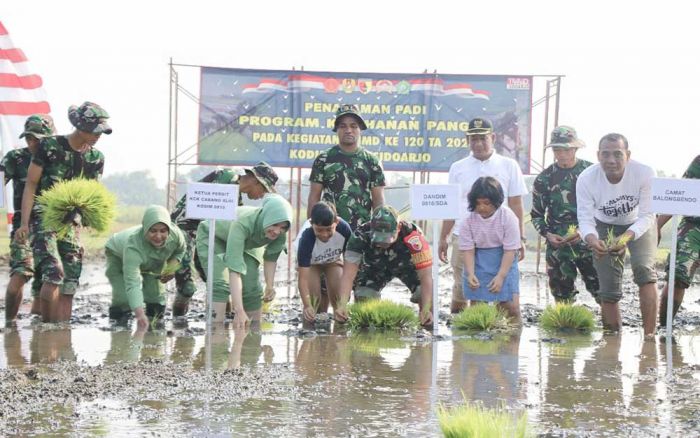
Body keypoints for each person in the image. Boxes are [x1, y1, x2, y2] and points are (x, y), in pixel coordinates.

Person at [15, 102, 111, 323]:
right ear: (81, 127)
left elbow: (90, 197)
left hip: (71, 224)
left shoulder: (95, 159)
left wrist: (82, 230)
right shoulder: (50, 146)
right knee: (53, 272)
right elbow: (31, 184)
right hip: (43, 218)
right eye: (95, 131)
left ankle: (61, 334)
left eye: (101, 132)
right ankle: (46, 331)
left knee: (70, 281)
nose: (98, 136)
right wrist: (24, 223)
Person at [439, 118, 528, 313]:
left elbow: (515, 204)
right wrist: (443, 237)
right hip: (464, 236)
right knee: (463, 288)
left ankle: (498, 333)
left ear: (493, 138)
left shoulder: (509, 165)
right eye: (473, 139)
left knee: (501, 289)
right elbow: (451, 206)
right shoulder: (457, 167)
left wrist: (520, 237)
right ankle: (459, 333)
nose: (478, 143)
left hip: (500, 240)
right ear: (467, 140)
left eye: (483, 138)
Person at [169, 162, 278, 316]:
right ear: (255, 180)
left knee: (220, 284)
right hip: (186, 230)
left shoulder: (237, 201)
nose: (262, 195)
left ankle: (219, 328)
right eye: (264, 189)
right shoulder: (225, 178)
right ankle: (177, 326)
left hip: (206, 236)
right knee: (187, 288)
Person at [576, 133, 657, 336]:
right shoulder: (586, 178)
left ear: (627, 155)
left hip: (638, 223)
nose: (611, 160)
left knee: (644, 272)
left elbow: (648, 215)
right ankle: (612, 341)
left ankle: (649, 337)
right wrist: (593, 240)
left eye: (617, 154)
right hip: (604, 224)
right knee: (608, 287)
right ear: (598, 155)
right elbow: (585, 221)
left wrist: (627, 237)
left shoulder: (645, 173)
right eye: (605, 154)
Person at [195, 193, 292, 328]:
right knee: (220, 285)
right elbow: (235, 271)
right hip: (215, 236)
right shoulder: (243, 223)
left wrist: (270, 286)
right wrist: (238, 310)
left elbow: (270, 258)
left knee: (252, 288)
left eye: (282, 227)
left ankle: (252, 339)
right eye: (275, 225)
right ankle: (216, 336)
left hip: (248, 242)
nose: (277, 231)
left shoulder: (280, 234)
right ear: (266, 218)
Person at [530, 126, 599, 303]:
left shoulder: (592, 173)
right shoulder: (544, 179)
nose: (561, 154)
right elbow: (537, 214)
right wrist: (547, 234)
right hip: (558, 245)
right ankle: (565, 327)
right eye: (557, 150)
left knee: (603, 291)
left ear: (575, 149)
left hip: (590, 240)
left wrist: (584, 232)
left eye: (566, 149)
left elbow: (604, 209)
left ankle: (612, 328)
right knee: (562, 296)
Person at [335, 205, 433, 327]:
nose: (383, 244)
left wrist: (427, 308)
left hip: (407, 267)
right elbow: (348, 275)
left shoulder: (413, 235)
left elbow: (426, 276)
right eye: (379, 240)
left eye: (387, 239)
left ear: (398, 227)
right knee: (364, 305)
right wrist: (342, 304)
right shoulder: (359, 236)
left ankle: (425, 325)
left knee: (427, 296)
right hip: (374, 268)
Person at [1, 115, 55, 321]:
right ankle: (9, 326)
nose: (33, 143)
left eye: (38, 139)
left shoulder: (58, 160)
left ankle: (40, 337)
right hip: (23, 227)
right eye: (29, 138)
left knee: (46, 282)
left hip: (52, 229)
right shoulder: (16, 158)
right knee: (19, 275)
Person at [105, 205, 186, 330]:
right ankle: (118, 330)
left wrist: (172, 267)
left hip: (153, 257)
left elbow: (180, 250)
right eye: (153, 231)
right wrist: (139, 314)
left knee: (156, 299)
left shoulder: (175, 235)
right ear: (145, 229)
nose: (158, 236)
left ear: (168, 230)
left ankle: (154, 336)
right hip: (118, 254)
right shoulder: (133, 246)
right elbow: (132, 283)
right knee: (123, 298)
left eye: (163, 231)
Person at [308, 104, 385, 229]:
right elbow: (314, 197)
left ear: (360, 129)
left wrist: (379, 228)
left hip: (361, 232)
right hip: (328, 231)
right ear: (336, 130)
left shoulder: (372, 161)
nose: (348, 130)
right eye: (343, 126)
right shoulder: (323, 159)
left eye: (353, 126)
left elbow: (378, 200)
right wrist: (312, 228)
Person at [459, 177, 521, 321]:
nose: (481, 208)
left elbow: (510, 250)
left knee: (510, 308)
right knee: (477, 309)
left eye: (486, 203)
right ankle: (476, 340)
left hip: (504, 258)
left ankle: (512, 341)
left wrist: (500, 276)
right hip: (478, 260)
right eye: (478, 203)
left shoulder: (508, 218)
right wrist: (470, 274)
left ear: (496, 201)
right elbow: (468, 250)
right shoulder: (468, 221)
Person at [657, 154, 700, 326]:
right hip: (694, 225)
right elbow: (679, 194)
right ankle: (664, 328)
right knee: (678, 275)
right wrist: (656, 225)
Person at [296, 201, 352, 323]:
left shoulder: (344, 229)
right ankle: (313, 328)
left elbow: (350, 269)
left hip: (333, 261)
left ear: (336, 222)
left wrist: (343, 302)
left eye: (328, 229)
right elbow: (303, 279)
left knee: (339, 300)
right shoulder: (306, 238)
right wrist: (307, 306)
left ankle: (339, 324)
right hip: (311, 264)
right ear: (311, 224)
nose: (324, 235)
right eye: (319, 230)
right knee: (314, 303)